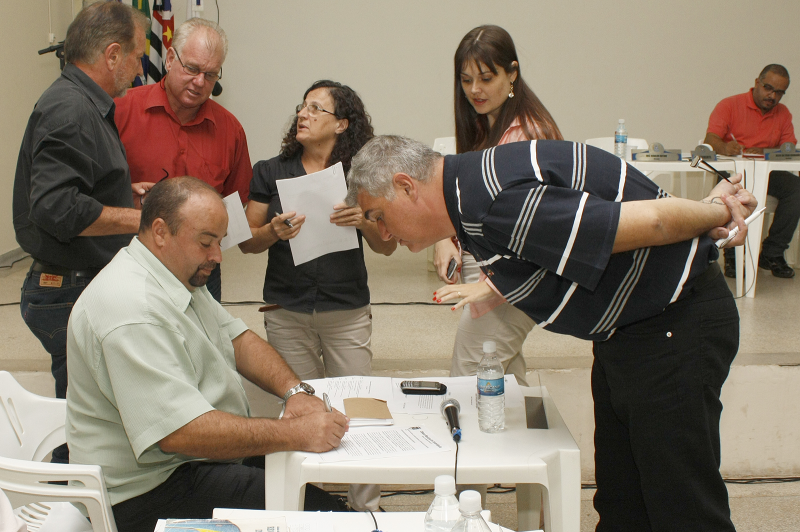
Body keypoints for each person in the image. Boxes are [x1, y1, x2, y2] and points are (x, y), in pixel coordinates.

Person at [346, 135, 757, 531]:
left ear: (406, 186)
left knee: (682, 507)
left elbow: (654, 222)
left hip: (672, 323)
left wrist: (718, 210)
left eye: (379, 216)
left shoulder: (492, 202)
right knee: (623, 503)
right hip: (629, 330)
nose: (384, 234)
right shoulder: (469, 193)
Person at [66, 177, 348, 532]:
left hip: (189, 462)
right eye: (206, 242)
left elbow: (237, 339)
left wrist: (295, 392)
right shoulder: (131, 308)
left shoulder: (173, 273)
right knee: (324, 517)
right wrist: (295, 433)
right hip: (146, 493)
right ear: (160, 232)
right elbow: (180, 433)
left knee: (310, 495)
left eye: (220, 241)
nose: (217, 255)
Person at [239, 80, 395, 511]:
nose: (302, 114)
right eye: (302, 107)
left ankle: (365, 509)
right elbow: (246, 242)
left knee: (360, 410)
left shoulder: (360, 175)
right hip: (287, 310)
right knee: (301, 411)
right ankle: (308, 506)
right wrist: (273, 231)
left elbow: (387, 246)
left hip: (346, 310)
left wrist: (364, 222)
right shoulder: (270, 170)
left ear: (342, 124)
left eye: (315, 108)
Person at [12, 1, 149, 464]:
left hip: (73, 284)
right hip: (68, 289)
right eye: (137, 56)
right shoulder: (70, 108)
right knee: (88, 426)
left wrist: (121, 192)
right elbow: (55, 207)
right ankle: (71, 497)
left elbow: (75, 185)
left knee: (87, 418)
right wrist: (144, 220)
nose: (139, 68)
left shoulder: (79, 102)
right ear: (112, 55)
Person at [433, 25, 563, 386]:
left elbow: (538, 230)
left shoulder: (526, 134)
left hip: (510, 277)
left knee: (469, 381)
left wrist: (492, 287)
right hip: (492, 270)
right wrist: (445, 238)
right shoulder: (484, 127)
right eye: (466, 80)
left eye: (486, 78)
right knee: (505, 383)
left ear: (512, 73)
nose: (475, 89)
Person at [115, 17, 253, 301]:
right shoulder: (121, 110)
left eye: (211, 75)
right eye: (192, 68)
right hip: (134, 264)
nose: (200, 82)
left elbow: (235, 204)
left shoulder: (230, 130)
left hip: (201, 272)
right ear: (169, 59)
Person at [704, 64, 800, 279]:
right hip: (736, 171)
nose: (772, 96)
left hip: (768, 173)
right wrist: (725, 147)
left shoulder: (783, 113)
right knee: (728, 187)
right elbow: (711, 139)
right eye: (768, 88)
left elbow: (789, 147)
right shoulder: (730, 105)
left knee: (796, 188)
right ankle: (732, 253)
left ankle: (772, 253)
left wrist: (764, 151)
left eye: (779, 92)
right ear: (757, 83)